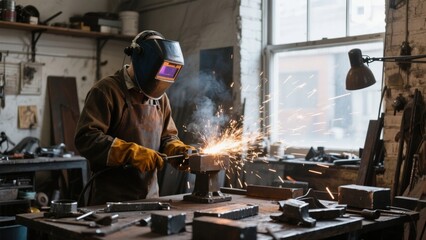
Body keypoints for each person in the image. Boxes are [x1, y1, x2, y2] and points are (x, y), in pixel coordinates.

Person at [74, 30, 196, 206]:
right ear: (142, 61)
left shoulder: (160, 97)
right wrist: (131, 153)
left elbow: (168, 136)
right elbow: (86, 138)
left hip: (151, 198)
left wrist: (176, 150)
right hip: (111, 200)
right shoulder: (106, 91)